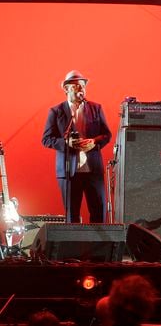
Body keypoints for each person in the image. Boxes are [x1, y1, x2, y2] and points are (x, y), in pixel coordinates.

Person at [42, 70, 111, 223]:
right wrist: (66, 143)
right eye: (76, 86)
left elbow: (107, 135)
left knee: (98, 212)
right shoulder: (56, 111)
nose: (81, 89)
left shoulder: (96, 108)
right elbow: (46, 139)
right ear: (66, 89)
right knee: (71, 216)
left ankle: (98, 246)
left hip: (92, 169)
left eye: (83, 86)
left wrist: (94, 142)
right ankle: (73, 246)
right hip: (68, 172)